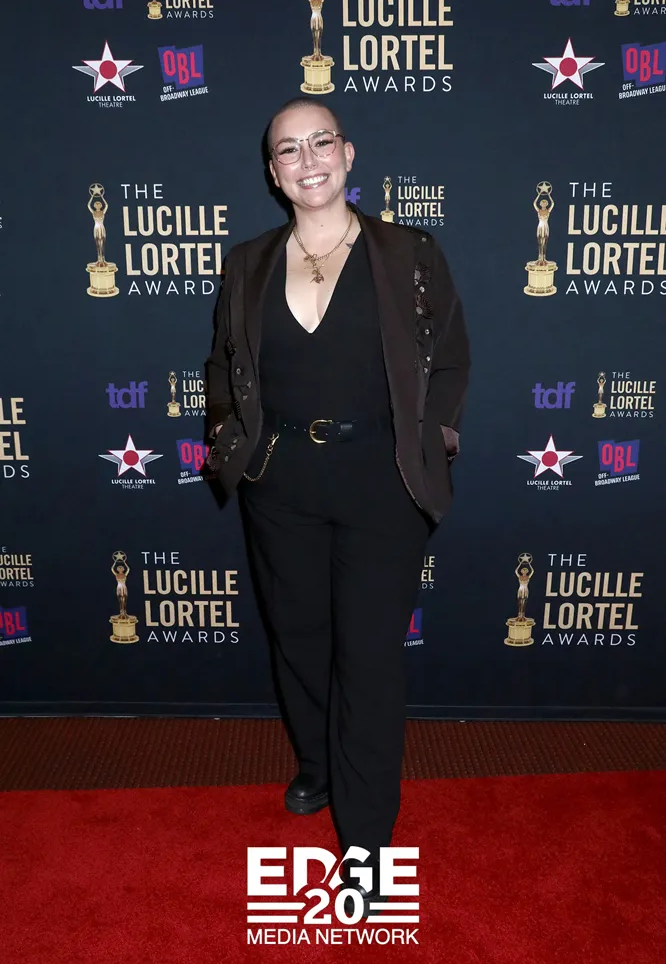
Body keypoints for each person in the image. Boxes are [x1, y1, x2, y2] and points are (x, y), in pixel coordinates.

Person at [205, 98, 470, 913]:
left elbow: (451, 360)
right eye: (289, 149)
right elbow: (222, 366)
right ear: (273, 171)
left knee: (369, 657)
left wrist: (430, 442)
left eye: (322, 141)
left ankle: (366, 835)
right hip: (279, 482)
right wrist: (229, 439)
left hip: (379, 481)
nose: (308, 158)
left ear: (349, 155)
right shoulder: (247, 263)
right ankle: (319, 764)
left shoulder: (409, 253)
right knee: (299, 641)